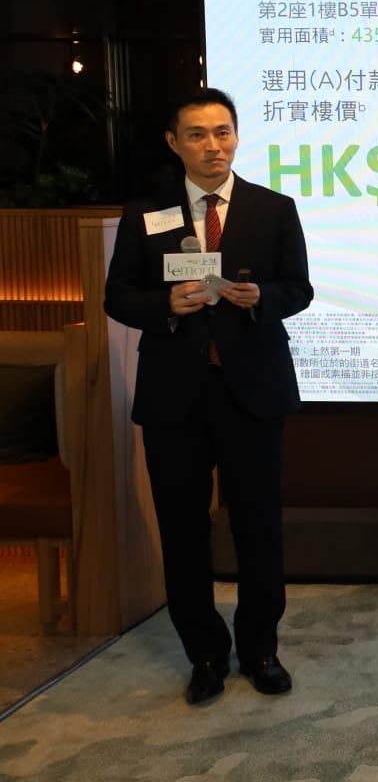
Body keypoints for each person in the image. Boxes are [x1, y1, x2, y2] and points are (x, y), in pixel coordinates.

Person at [105, 88, 313, 705]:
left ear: (237, 137)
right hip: (175, 395)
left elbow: (298, 287)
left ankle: (261, 649)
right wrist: (165, 304)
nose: (213, 145)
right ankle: (204, 653)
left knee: (258, 526)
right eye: (197, 134)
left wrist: (263, 299)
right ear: (175, 143)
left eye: (223, 132)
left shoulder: (273, 209)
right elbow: (119, 296)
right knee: (182, 529)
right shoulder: (146, 213)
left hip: (252, 390)